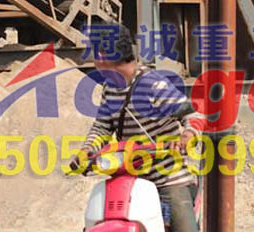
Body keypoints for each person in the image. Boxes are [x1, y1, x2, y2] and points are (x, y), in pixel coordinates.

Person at [70, 22, 200, 232]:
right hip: (129, 178)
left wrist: (187, 135)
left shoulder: (152, 84)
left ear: (102, 55)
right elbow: (102, 127)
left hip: (166, 178)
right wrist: (87, 151)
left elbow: (192, 113)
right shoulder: (110, 88)